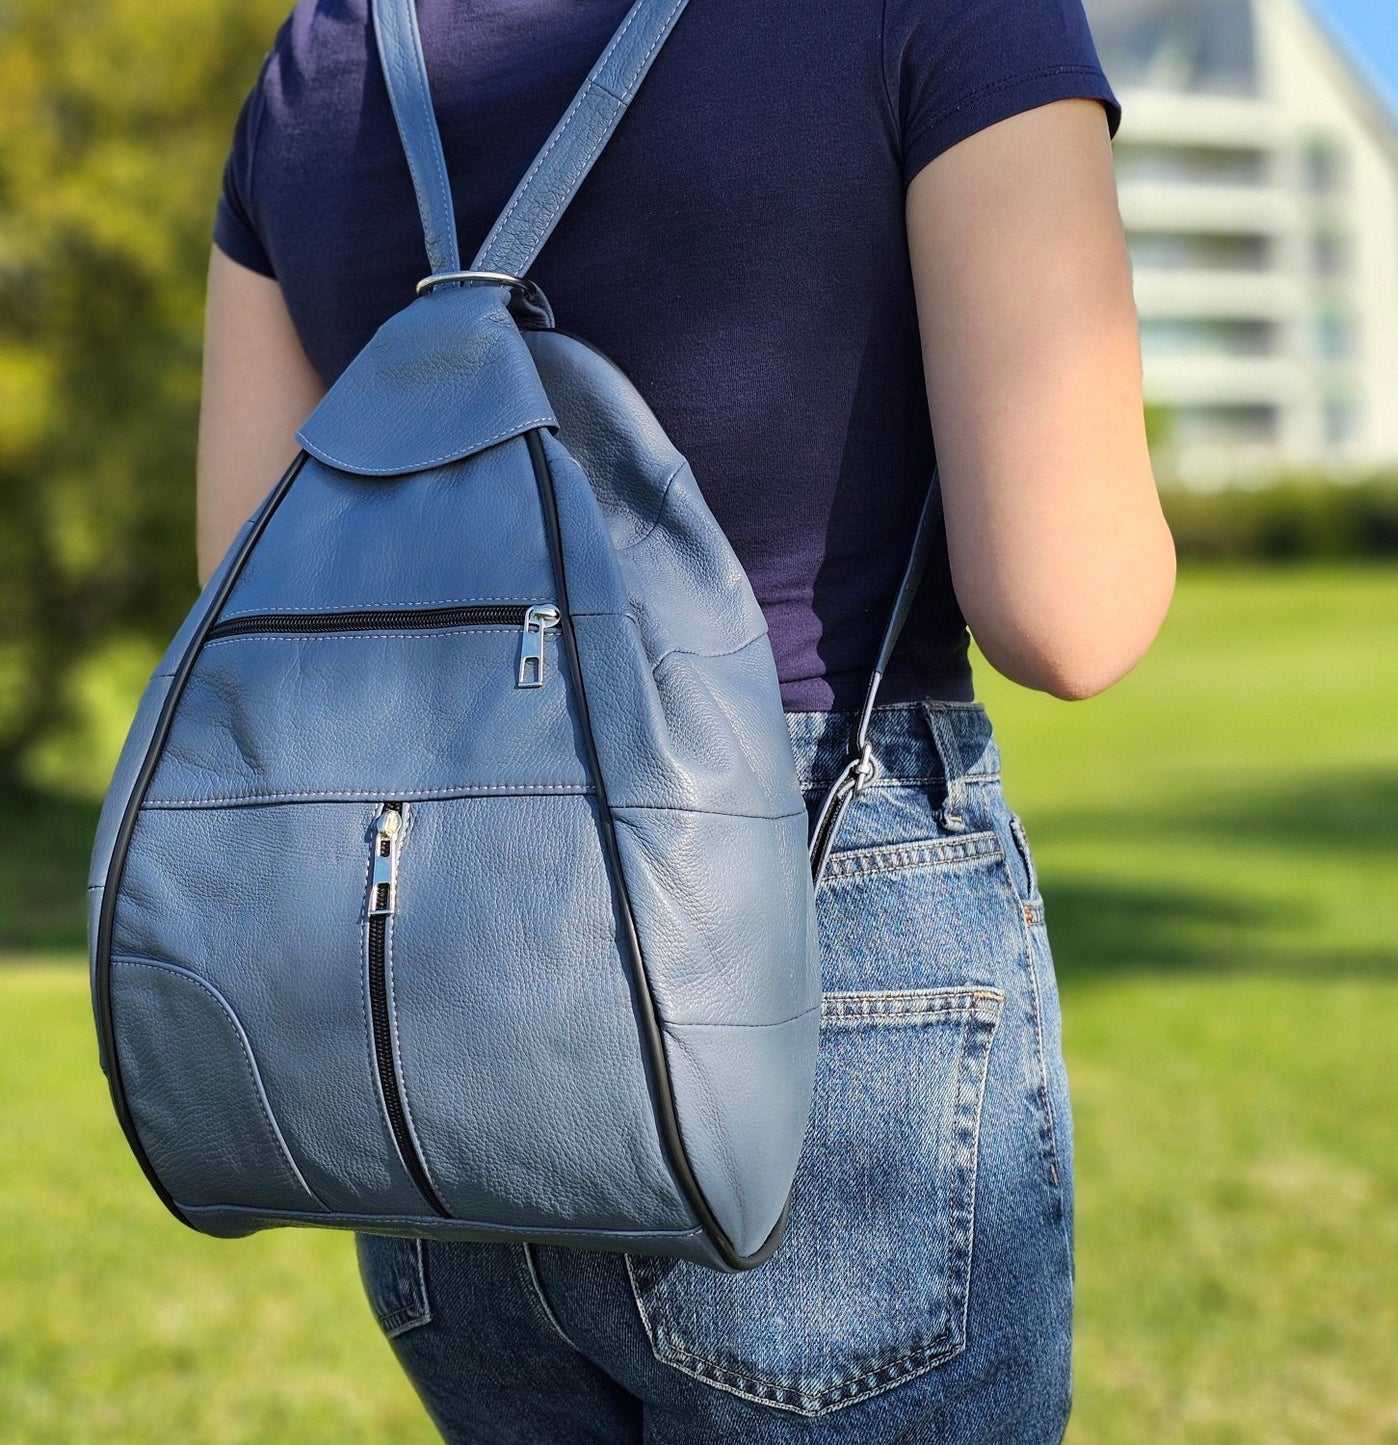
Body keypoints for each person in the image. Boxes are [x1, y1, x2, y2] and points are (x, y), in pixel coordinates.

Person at [199, 0, 1175, 1439]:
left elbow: (257, 598)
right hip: (808, 928)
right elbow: (1068, 612)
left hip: (430, 986)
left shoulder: (327, 55)